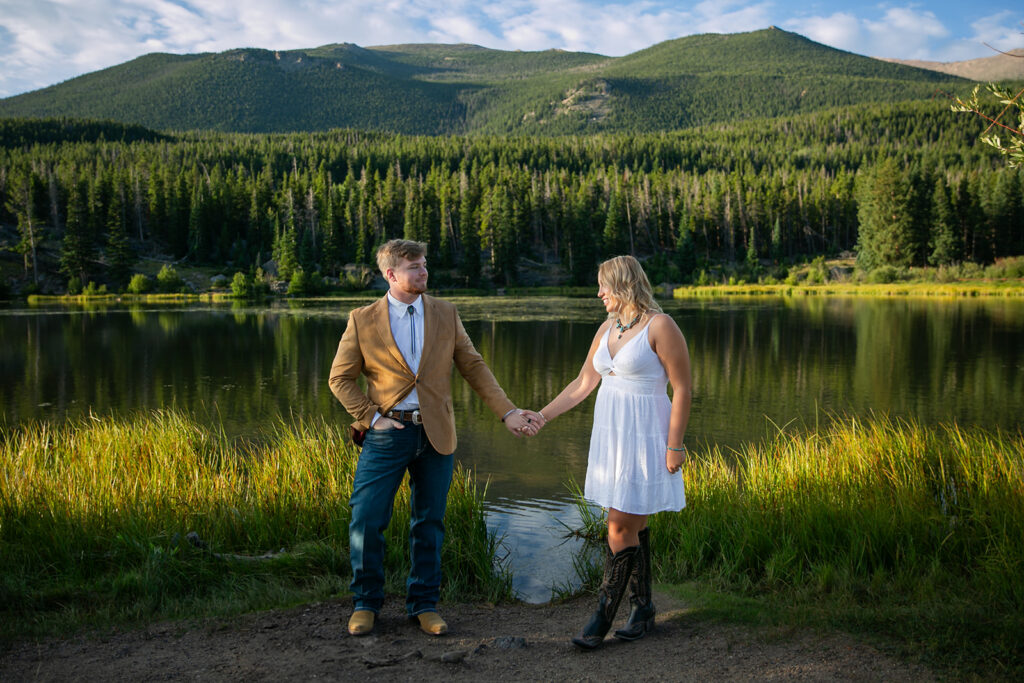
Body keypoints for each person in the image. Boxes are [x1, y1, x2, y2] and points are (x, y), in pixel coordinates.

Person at [329, 239, 537, 638]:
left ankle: (423, 604)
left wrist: (507, 411)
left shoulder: (445, 312)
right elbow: (339, 379)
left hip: (436, 433)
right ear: (391, 274)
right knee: (366, 518)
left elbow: (473, 366)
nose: (424, 272)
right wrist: (372, 418)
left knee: (429, 523)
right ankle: (366, 603)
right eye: (414, 268)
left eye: (424, 265)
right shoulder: (362, 319)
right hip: (387, 434)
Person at [530, 255, 691, 650]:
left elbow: (683, 389)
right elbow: (584, 382)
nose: (599, 293)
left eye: (604, 285)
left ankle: (601, 617)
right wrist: (541, 416)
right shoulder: (606, 328)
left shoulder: (661, 326)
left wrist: (674, 446)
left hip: (646, 438)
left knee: (619, 528)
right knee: (632, 526)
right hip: (612, 440)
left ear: (623, 285)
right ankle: (643, 608)